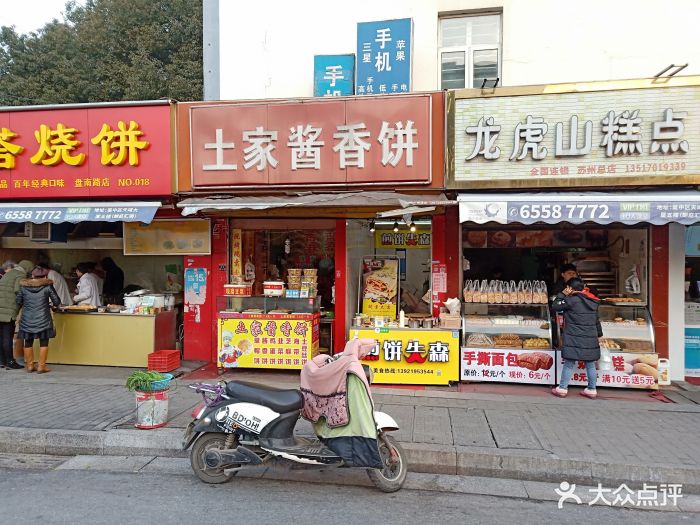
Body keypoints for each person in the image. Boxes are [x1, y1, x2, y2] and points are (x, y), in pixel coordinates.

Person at [551, 277, 603, 399]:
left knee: (569, 363)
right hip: (590, 336)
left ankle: (562, 388)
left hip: (573, 336)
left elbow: (555, 306)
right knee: (590, 364)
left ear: (570, 288)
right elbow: (596, 321)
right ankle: (592, 389)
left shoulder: (571, 300)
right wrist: (599, 334)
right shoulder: (592, 300)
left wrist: (562, 295)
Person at [16, 267, 62, 373]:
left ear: (32, 276)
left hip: (27, 319)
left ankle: (30, 366)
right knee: (44, 342)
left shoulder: (23, 287)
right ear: (45, 277)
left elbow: (18, 301)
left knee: (27, 342)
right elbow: (56, 301)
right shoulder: (47, 286)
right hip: (43, 319)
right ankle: (41, 367)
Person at [0, 260, 33, 370]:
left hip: (1, 308)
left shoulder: (9, 273)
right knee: (7, 336)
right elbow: (18, 291)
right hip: (9, 309)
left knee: (1, 336)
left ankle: (2, 360)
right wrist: (25, 302)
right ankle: (10, 361)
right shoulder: (20, 275)